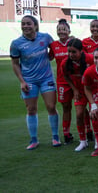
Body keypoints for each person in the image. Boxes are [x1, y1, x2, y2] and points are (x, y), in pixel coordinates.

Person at [10, 15, 61, 150]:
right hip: (29, 80)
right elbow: (15, 64)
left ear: (35, 25)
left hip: (46, 78)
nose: (25, 26)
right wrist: (22, 81)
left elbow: (55, 50)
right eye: (23, 24)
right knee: (31, 109)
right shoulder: (16, 43)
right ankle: (34, 140)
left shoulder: (45, 37)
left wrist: (50, 56)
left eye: (28, 24)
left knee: (51, 106)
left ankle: (55, 137)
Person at [61, 38, 95, 151]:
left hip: (92, 90)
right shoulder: (65, 63)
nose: (71, 54)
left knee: (94, 114)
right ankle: (83, 141)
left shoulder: (90, 59)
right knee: (79, 114)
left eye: (73, 52)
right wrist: (74, 89)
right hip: (79, 91)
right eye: (69, 51)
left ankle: (97, 139)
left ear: (81, 51)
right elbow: (65, 76)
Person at [50, 19, 74, 144]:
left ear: (69, 31)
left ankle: (88, 131)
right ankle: (66, 133)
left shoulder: (75, 42)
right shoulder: (53, 45)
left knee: (82, 106)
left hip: (76, 79)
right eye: (59, 30)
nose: (61, 32)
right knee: (66, 107)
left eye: (64, 29)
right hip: (62, 81)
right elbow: (48, 58)